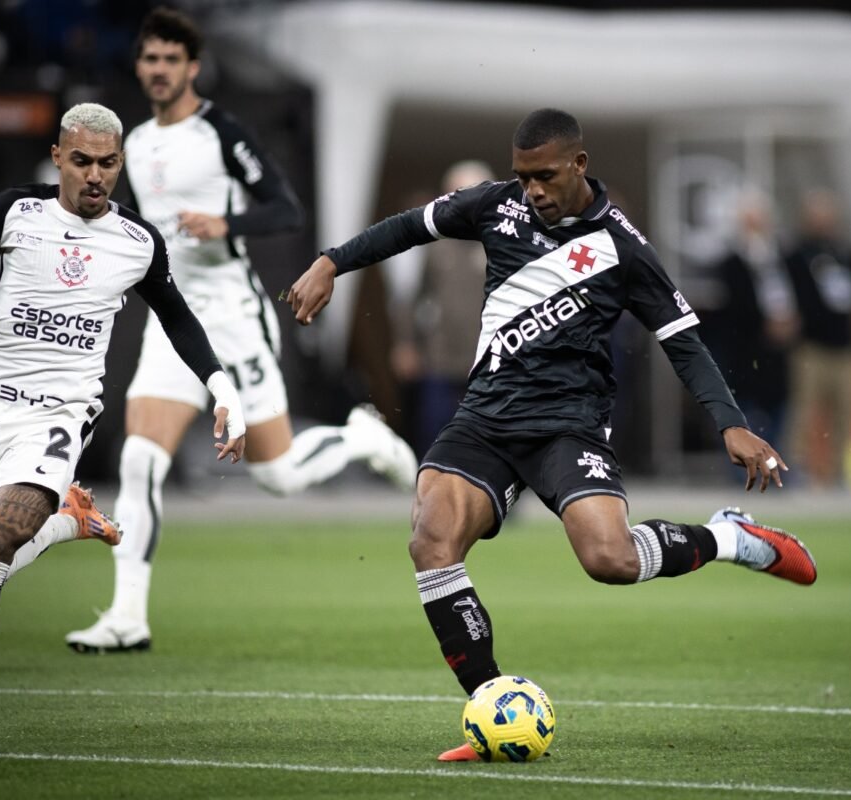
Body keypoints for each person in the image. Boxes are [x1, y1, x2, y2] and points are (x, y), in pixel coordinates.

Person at [288, 108, 818, 762]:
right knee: (431, 540)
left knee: (611, 561)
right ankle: (491, 708)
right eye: (522, 176)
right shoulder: (496, 206)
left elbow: (683, 341)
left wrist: (731, 423)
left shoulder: (622, 246)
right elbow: (409, 227)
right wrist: (331, 263)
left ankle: (730, 537)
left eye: (543, 177)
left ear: (579, 166)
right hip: (485, 418)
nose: (532, 190)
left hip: (568, 427)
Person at [0, 102, 247, 749]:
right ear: (58, 158)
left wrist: (221, 388)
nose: (95, 175)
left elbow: (179, 318)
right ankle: (68, 520)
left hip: (60, 414)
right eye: (82, 161)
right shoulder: (14, 212)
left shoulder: (137, 242)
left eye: (107, 163)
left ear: (119, 164)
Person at [64, 8, 417, 654]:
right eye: (150, 59)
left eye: (172, 60)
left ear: (192, 67)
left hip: (234, 318)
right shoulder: (135, 144)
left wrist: (225, 222)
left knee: (277, 475)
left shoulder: (221, 132)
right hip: (174, 320)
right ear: (139, 67)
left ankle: (360, 438)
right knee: (140, 457)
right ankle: (127, 615)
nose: (160, 70)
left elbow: (286, 208)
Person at [389, 160, 496, 453]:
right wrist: (406, 343)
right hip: (440, 356)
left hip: (489, 356)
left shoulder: (502, 243)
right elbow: (412, 298)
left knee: (490, 432)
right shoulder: (436, 245)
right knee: (435, 429)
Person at [783, 188, 851, 488]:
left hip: (845, 349)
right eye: (816, 216)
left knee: (844, 416)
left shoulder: (850, 255)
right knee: (803, 413)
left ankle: (835, 474)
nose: (823, 222)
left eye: (827, 216)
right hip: (810, 347)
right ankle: (794, 471)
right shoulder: (795, 256)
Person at [704, 188, 797, 452]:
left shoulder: (782, 258)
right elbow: (733, 305)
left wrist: (788, 322)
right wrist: (763, 323)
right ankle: (745, 464)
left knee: (778, 406)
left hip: (777, 351)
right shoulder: (731, 263)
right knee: (743, 407)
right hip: (744, 348)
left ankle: (775, 459)